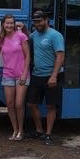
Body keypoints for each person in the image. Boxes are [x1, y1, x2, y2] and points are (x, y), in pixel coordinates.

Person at [26, 9, 65, 144]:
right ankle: (39, 130)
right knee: (31, 104)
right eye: (35, 22)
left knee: (50, 106)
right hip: (37, 74)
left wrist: (54, 75)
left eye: (40, 21)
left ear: (46, 20)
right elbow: (25, 39)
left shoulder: (55, 35)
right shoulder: (34, 35)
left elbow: (60, 56)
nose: (37, 24)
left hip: (51, 75)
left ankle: (48, 134)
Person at [0, 14, 31, 141]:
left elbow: (28, 56)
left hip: (21, 74)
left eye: (11, 23)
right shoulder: (0, 38)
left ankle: (21, 131)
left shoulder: (21, 36)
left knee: (19, 104)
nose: (9, 25)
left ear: (14, 24)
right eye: (7, 23)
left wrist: (24, 73)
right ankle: (15, 130)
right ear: (3, 24)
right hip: (8, 74)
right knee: (10, 104)